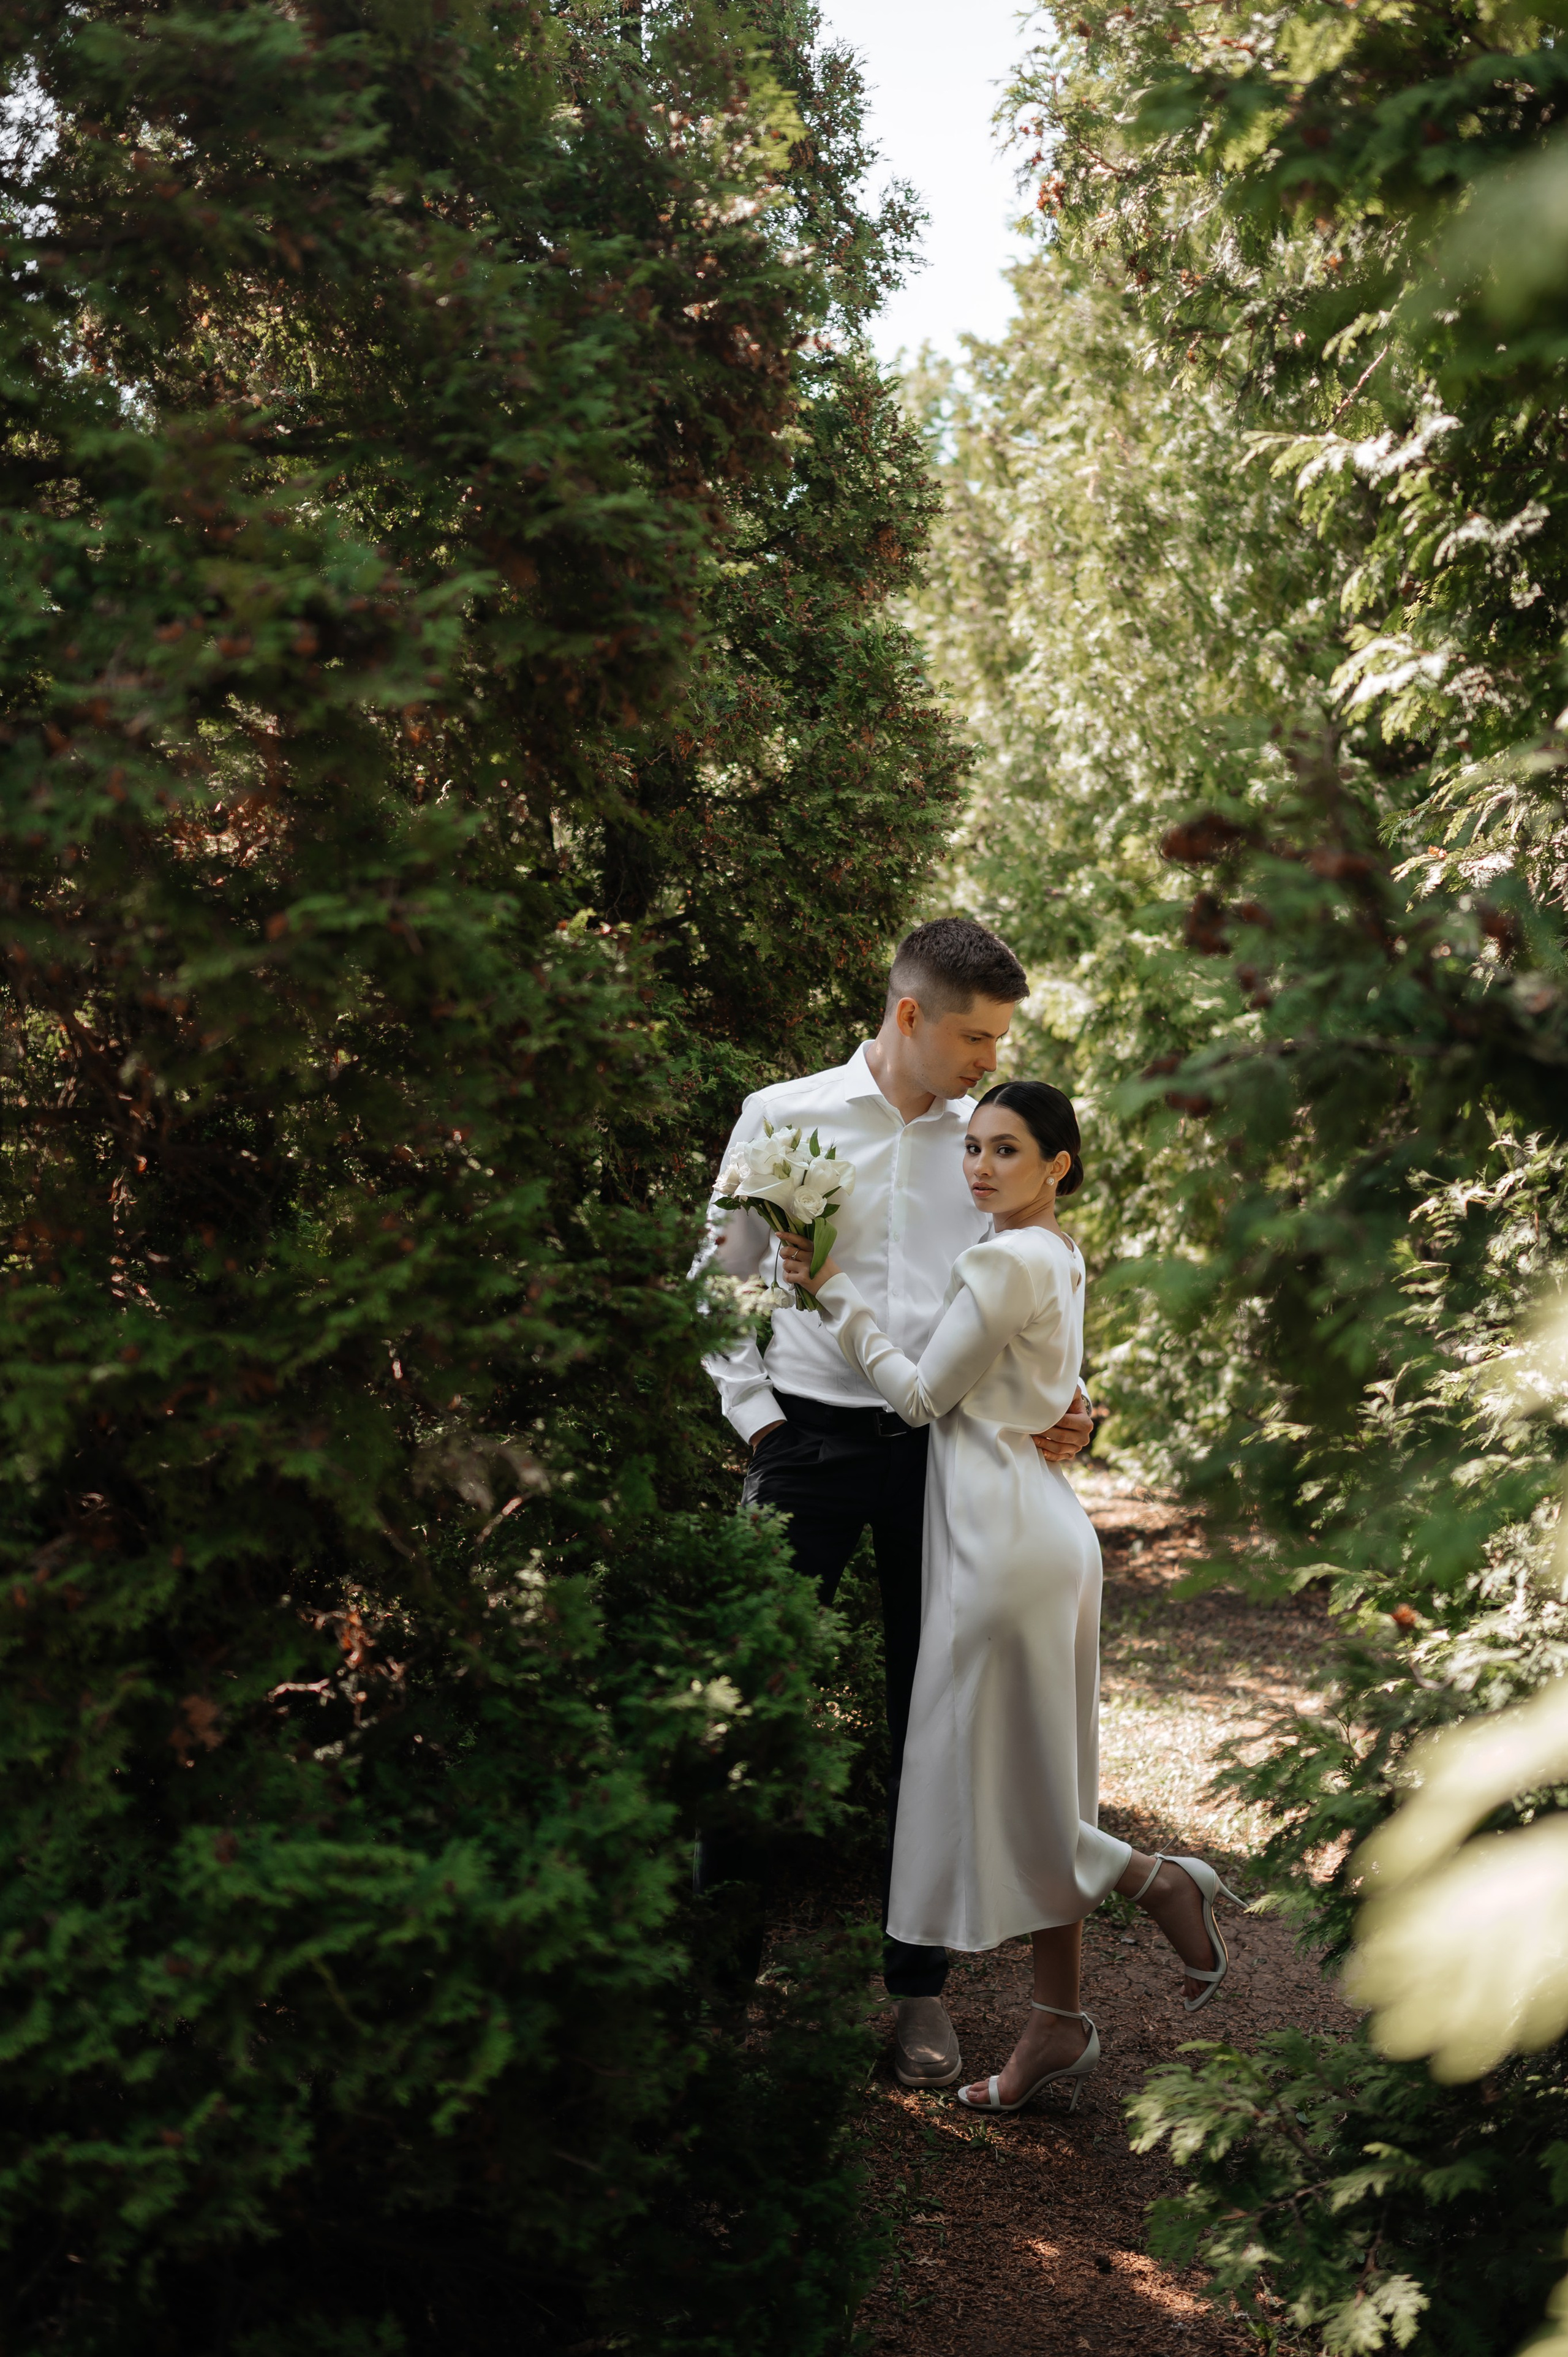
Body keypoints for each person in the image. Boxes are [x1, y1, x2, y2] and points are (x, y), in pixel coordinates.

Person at [778, 1080, 1244, 2113]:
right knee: (1046, 1777)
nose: (981, 1167)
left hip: (1001, 1548)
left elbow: (916, 1395)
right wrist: (1068, 1404)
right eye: (974, 1148)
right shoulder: (1058, 1251)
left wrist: (834, 1292)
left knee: (1007, 1788)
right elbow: (1032, 1383)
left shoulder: (1001, 1258)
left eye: (1007, 1151)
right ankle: (1057, 2023)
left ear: (1056, 1166)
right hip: (1039, 1528)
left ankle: (1161, 1882)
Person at [698, 919, 1094, 2092]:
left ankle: (918, 1991)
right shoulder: (785, 1115)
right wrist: (758, 1423)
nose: (988, 1058)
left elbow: (1028, 1294)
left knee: (937, 1717)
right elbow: (716, 1283)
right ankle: (719, 1989)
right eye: (974, 1034)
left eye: (1000, 1040)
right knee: (749, 1710)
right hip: (805, 1445)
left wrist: (1075, 1406)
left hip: (954, 1462)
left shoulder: (994, 1141)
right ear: (911, 1014)